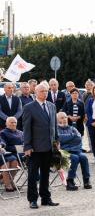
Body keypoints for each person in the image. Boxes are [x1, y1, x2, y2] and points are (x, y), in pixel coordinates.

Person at [22, 81, 60, 209]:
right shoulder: (29, 107)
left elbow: (54, 126)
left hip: (49, 147)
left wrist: (57, 141)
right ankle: (32, 200)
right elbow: (26, 129)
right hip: (35, 148)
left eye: (46, 91)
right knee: (33, 175)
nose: (45, 93)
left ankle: (46, 198)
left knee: (46, 174)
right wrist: (27, 146)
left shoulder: (51, 106)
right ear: (36, 92)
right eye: (42, 91)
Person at [56, 112, 92, 190]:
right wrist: (72, 136)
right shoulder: (56, 130)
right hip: (63, 152)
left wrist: (67, 139)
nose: (64, 119)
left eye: (65, 117)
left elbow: (78, 139)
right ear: (57, 120)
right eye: (62, 118)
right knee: (75, 158)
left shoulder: (72, 128)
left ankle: (86, 180)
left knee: (83, 157)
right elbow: (59, 139)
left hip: (75, 150)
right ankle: (70, 181)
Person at [0, 116, 24, 192]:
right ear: (6, 123)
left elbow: (25, 143)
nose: (13, 124)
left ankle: (10, 181)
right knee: (10, 160)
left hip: (20, 153)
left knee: (14, 160)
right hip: (7, 152)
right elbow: (3, 143)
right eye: (11, 122)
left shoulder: (20, 132)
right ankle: (8, 184)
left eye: (15, 122)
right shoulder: (3, 132)